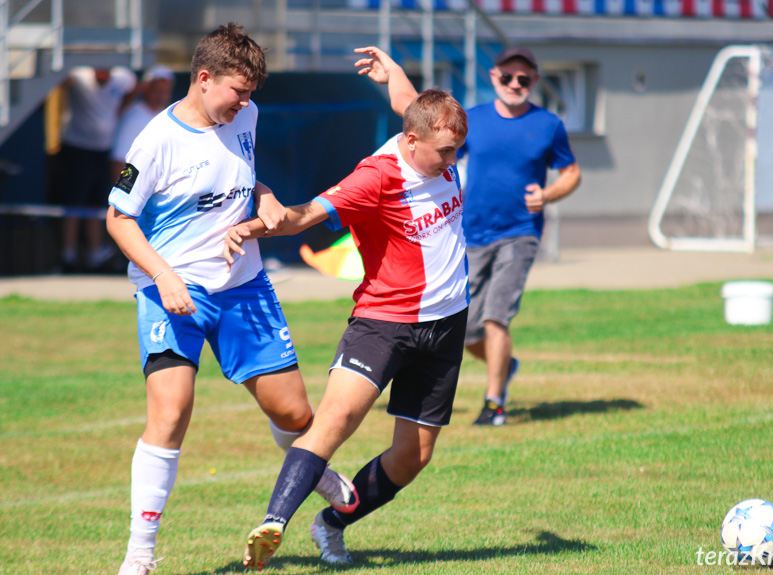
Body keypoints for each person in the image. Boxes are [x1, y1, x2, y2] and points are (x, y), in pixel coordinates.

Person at [106, 24, 357, 575]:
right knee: (170, 413)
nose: (246, 104)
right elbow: (119, 219)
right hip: (171, 291)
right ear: (203, 78)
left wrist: (265, 197)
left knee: (293, 413)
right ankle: (139, 555)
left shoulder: (244, 115)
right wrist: (165, 276)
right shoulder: (154, 142)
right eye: (237, 92)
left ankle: (312, 468)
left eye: (250, 95)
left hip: (243, 287)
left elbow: (240, 176)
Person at [225, 47, 468, 570]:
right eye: (446, 152)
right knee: (335, 421)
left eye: (457, 151)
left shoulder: (426, 132)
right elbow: (304, 215)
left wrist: (393, 73)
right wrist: (257, 224)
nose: (453, 162)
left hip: (446, 327)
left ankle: (331, 524)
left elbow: (410, 103)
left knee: (414, 456)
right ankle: (274, 523)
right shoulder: (376, 177)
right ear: (411, 141)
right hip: (384, 324)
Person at [458, 46, 582, 426]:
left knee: (497, 317)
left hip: (520, 232)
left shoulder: (548, 125)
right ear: (493, 77)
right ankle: (505, 364)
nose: (515, 84)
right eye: (508, 77)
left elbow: (572, 172)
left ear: (534, 82)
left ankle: (494, 404)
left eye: (523, 79)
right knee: (463, 328)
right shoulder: (471, 119)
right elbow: (441, 158)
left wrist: (546, 195)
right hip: (471, 231)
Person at [59, 65, 137, 272]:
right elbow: (60, 80)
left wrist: (118, 111)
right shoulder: (77, 75)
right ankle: (68, 254)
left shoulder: (123, 78)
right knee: (74, 202)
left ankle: (95, 253)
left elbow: (134, 86)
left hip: (103, 151)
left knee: (97, 202)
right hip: (76, 148)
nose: (102, 74)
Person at [110, 65, 176, 182]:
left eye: (165, 91)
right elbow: (119, 161)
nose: (161, 95)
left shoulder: (172, 115)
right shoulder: (132, 116)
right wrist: (124, 191)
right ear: (146, 88)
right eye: (157, 90)